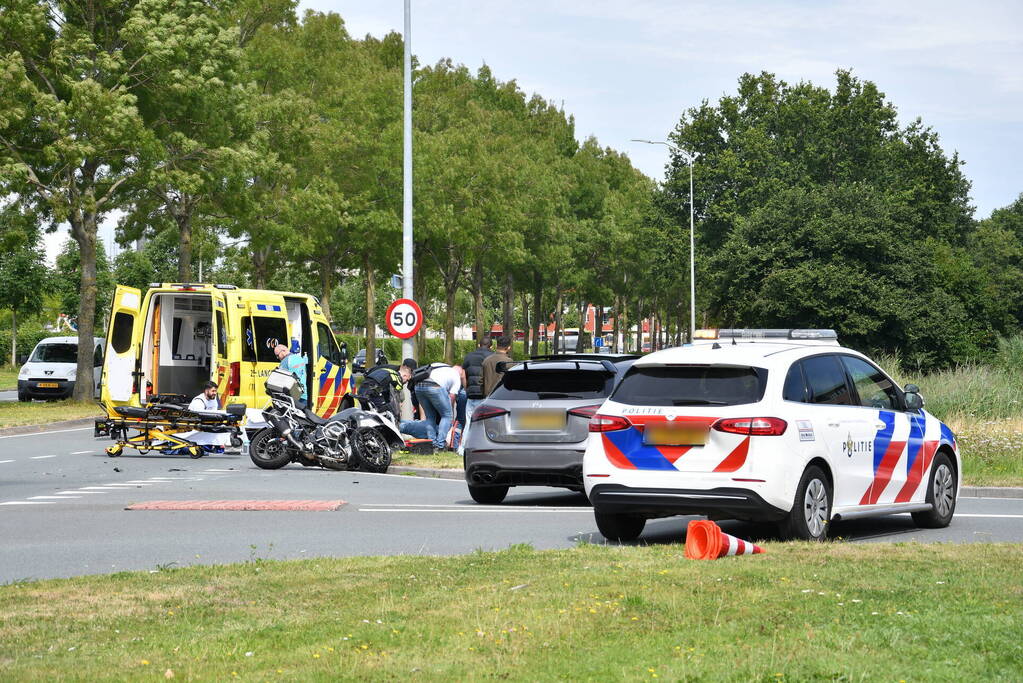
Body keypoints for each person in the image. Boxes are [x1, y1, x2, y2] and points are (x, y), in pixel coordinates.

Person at [413, 363, 464, 450]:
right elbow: (451, 397)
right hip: (435, 386)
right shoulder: (456, 376)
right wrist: (448, 410)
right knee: (447, 415)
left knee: (429, 417)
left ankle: (431, 444)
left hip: (418, 386)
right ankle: (440, 445)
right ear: (461, 371)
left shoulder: (441, 366)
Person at [274, 343, 308, 408]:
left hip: (292, 396)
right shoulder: (300, 358)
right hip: (304, 394)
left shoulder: (285, 362)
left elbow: (280, 379)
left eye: (277, 355)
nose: (277, 357)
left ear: (283, 351)